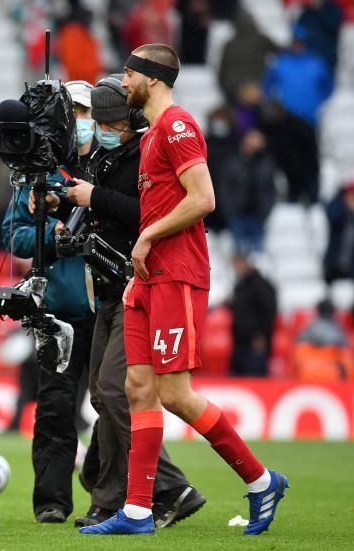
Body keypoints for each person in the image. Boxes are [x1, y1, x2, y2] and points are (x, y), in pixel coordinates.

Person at [79, 43, 288, 537]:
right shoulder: (153, 134)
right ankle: (136, 511)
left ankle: (260, 481)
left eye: (127, 75)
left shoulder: (177, 126)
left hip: (177, 272)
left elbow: (205, 198)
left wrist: (149, 235)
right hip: (147, 277)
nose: (121, 83)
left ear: (150, 78)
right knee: (136, 388)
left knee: (174, 393)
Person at [44, 75, 204, 529]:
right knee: (103, 393)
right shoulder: (107, 155)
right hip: (110, 286)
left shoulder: (147, 152)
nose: (103, 127)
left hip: (141, 283)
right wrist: (65, 208)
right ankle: (113, 497)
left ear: (130, 118)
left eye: (110, 120)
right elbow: (105, 211)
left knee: (116, 391)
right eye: (100, 119)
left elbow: (145, 213)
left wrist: (94, 196)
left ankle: (169, 486)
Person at [2, 79, 96, 524]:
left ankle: (104, 487)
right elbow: (14, 236)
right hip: (58, 309)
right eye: (72, 112)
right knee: (56, 410)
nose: (79, 122)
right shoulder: (37, 170)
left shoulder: (109, 170)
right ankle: (52, 502)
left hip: (109, 308)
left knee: (116, 406)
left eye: (85, 112)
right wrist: (53, 239)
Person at [229, 253, 277, 377]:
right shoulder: (241, 285)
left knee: (254, 378)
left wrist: (261, 335)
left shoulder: (261, 285)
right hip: (240, 342)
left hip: (254, 343)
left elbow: (269, 312)